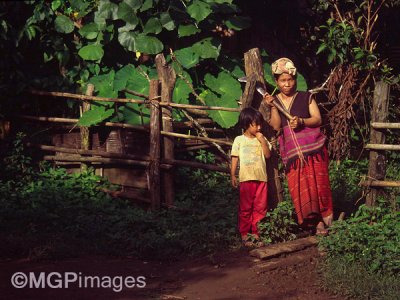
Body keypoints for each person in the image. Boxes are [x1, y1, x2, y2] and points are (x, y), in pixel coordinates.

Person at [263, 57, 333, 236]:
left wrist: (302, 121)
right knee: (303, 189)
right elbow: (277, 126)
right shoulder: (276, 101)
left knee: (320, 186)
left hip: (314, 151)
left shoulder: (305, 96)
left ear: (295, 80)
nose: (287, 84)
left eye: (290, 80)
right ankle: (316, 223)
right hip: (293, 156)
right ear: (276, 82)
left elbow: (317, 119)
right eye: (283, 81)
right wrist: (272, 107)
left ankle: (329, 220)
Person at [231, 107, 271, 247]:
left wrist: (263, 141)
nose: (259, 127)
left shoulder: (262, 139)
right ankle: (244, 234)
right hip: (246, 179)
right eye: (255, 125)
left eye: (260, 124)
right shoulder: (239, 140)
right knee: (246, 208)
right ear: (246, 124)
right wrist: (233, 176)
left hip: (261, 179)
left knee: (260, 207)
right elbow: (235, 158)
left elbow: (267, 155)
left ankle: (256, 233)